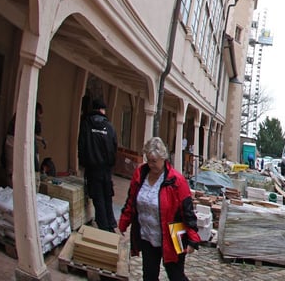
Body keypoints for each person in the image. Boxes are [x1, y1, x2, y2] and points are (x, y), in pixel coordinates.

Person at [118, 137, 200, 281]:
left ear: (163, 158)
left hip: (172, 236)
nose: (150, 164)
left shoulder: (176, 180)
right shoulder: (140, 174)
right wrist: (123, 223)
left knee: (176, 276)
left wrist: (193, 239)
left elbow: (187, 211)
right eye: (148, 160)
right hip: (148, 235)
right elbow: (131, 201)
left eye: (154, 161)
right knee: (149, 275)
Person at [79, 98, 118, 232]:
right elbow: (114, 147)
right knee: (107, 194)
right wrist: (110, 165)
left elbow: (82, 146)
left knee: (98, 196)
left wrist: (84, 163)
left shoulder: (86, 125)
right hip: (106, 168)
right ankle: (111, 223)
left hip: (92, 168)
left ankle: (104, 225)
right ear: (102, 110)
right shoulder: (109, 127)